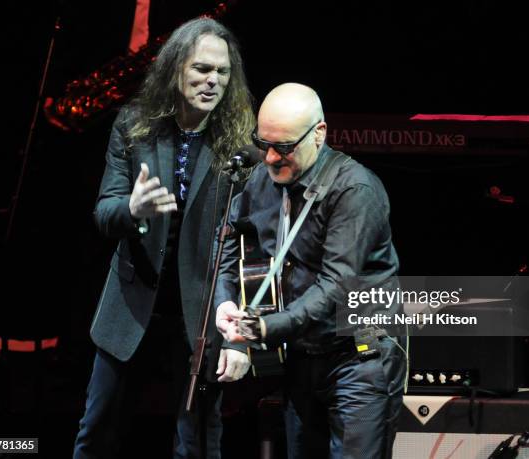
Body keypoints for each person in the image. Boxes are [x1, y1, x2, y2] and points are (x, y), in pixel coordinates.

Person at [73, 17, 254, 459]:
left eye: (222, 73)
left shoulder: (241, 145)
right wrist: (133, 210)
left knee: (196, 443)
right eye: (201, 69)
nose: (212, 81)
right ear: (176, 69)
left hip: (200, 313)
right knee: (96, 432)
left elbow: (246, 251)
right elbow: (104, 211)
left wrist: (235, 337)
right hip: (132, 304)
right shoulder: (135, 126)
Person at [215, 83, 407, 458]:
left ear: (319, 134)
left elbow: (336, 285)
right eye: (262, 143)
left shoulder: (354, 190)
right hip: (301, 356)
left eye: (283, 147)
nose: (269, 158)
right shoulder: (261, 178)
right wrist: (226, 305)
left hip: (359, 357)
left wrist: (268, 327)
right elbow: (227, 245)